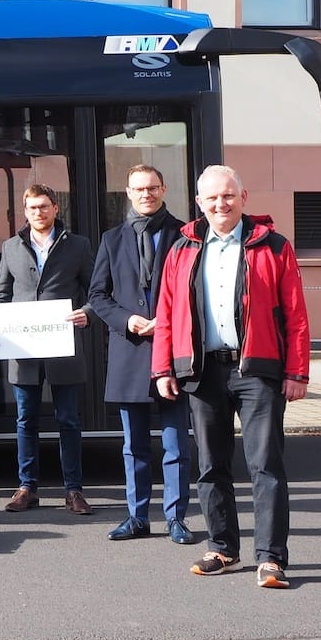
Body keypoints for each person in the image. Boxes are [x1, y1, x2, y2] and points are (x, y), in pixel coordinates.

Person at [153, 165, 309, 589]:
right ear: (199, 203)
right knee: (211, 466)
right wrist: (163, 367)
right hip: (202, 371)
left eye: (228, 196)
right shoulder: (182, 249)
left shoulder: (273, 246)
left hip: (258, 369)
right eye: (211, 198)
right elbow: (167, 313)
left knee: (266, 466)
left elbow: (295, 314)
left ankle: (271, 558)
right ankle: (222, 547)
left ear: (244, 196)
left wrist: (298, 371)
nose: (220, 204)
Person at [90, 164, 194, 544]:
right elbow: (98, 296)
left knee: (175, 443)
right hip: (129, 349)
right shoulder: (111, 239)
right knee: (133, 446)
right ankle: (136, 517)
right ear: (129, 193)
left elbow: (191, 291)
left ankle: (176, 519)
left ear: (164, 189)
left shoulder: (185, 235)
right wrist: (128, 320)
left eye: (152, 187)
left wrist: (163, 322)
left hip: (174, 351)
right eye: (139, 188)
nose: (146, 194)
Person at [0, 185, 94, 515]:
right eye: (32, 208)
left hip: (62, 345)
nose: (38, 213)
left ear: (56, 208)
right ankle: (27, 487)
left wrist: (87, 313)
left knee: (69, 420)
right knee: (25, 420)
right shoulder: (11, 246)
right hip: (22, 345)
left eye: (44, 206)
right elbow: (0, 295)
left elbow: (96, 291)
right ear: (25, 211)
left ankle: (73, 490)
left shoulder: (77, 245)